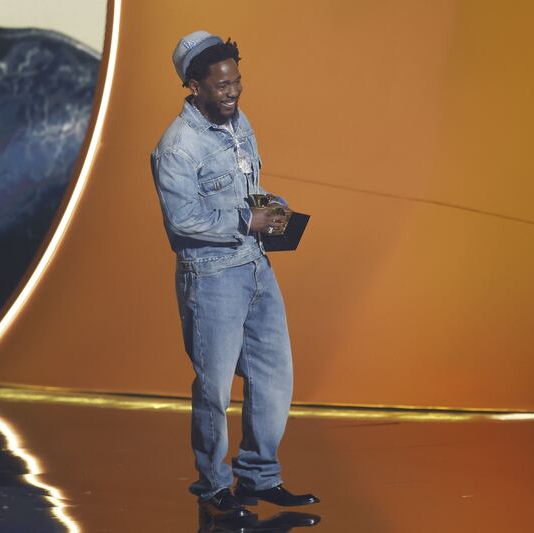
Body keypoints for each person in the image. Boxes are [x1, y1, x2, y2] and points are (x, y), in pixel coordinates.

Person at [149, 31, 319, 520]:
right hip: (211, 277)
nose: (232, 92)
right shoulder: (177, 147)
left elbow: (246, 183)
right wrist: (247, 219)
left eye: (236, 81)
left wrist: (270, 205)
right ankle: (213, 488)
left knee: (274, 376)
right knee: (215, 389)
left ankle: (259, 475)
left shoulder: (237, 123)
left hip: (256, 266)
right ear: (194, 85)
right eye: (222, 85)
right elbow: (182, 220)